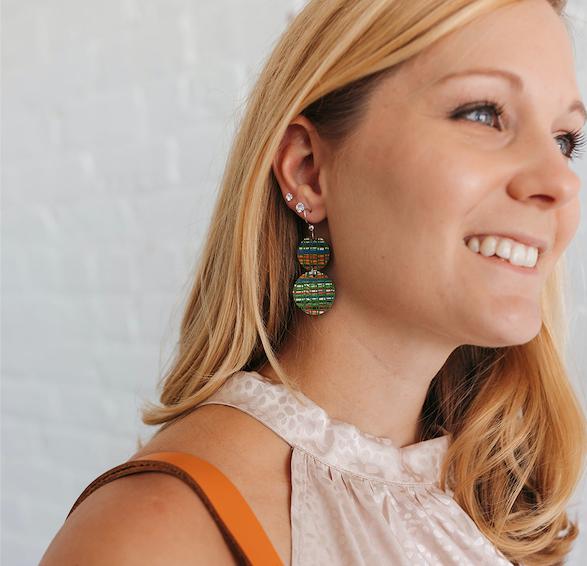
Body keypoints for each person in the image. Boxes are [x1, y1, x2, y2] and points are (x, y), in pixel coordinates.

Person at [40, 0, 587, 564]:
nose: (559, 183)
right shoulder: (154, 537)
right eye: (482, 114)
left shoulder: (498, 506)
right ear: (308, 170)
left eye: (565, 140)